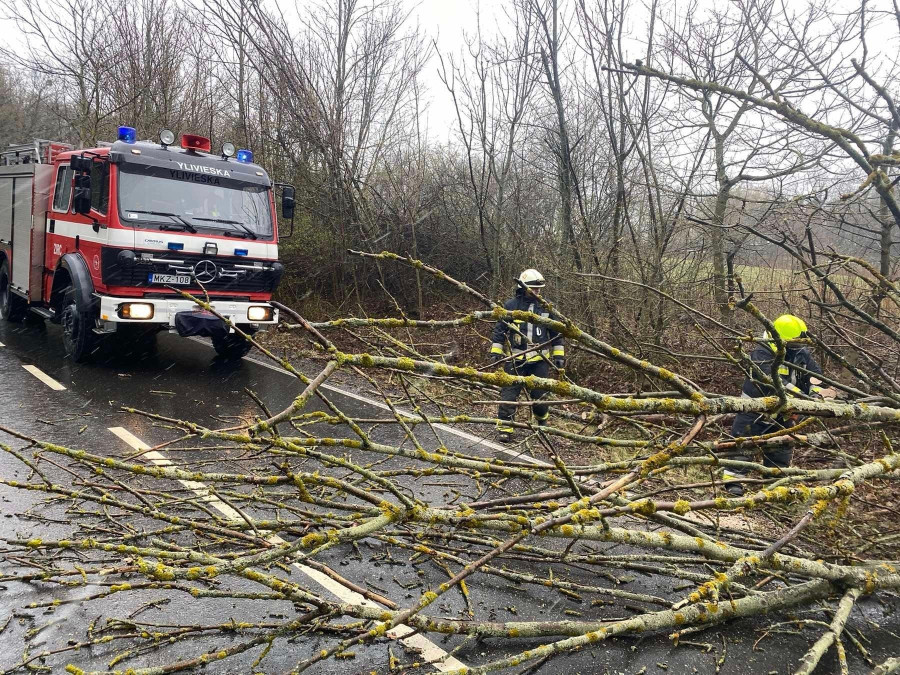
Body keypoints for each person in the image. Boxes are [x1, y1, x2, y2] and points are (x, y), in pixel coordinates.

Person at [723, 314, 835, 495]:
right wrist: (802, 399)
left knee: (780, 452)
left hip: (784, 414)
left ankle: (776, 488)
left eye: (798, 344)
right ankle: (733, 485)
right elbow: (774, 383)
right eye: (793, 345)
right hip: (755, 411)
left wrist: (817, 395)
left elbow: (816, 377)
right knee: (743, 447)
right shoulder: (762, 353)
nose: (797, 348)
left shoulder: (801, 353)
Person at [489, 269, 565, 443]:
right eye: (534, 288)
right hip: (515, 360)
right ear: (523, 287)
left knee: (540, 397)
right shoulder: (511, 306)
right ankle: (505, 429)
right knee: (509, 395)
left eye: (539, 289)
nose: (537, 291)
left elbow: (556, 334)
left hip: (539, 361)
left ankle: (542, 422)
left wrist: (559, 356)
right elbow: (500, 331)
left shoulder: (547, 307)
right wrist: (495, 352)